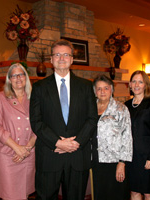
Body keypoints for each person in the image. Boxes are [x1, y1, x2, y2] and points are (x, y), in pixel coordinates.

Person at [29, 39, 98, 200]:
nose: (61, 58)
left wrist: (76, 143)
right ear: (51, 60)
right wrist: (57, 143)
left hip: (77, 155)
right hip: (49, 154)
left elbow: (92, 119)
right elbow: (36, 121)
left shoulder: (86, 86)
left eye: (66, 55)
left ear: (72, 59)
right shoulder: (39, 88)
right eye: (57, 55)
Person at [0, 63, 36, 200]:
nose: (18, 78)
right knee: (10, 195)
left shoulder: (34, 98)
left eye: (21, 74)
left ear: (26, 77)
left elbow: (39, 126)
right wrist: (17, 148)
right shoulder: (0, 97)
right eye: (14, 75)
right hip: (7, 154)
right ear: (9, 79)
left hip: (28, 153)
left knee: (24, 195)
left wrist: (26, 149)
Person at [91, 74, 132, 200]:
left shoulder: (121, 109)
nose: (102, 91)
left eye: (106, 88)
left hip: (114, 160)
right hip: (95, 159)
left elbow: (127, 137)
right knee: (99, 193)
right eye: (99, 88)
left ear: (112, 90)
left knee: (116, 194)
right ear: (94, 91)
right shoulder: (90, 107)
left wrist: (122, 162)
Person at [125, 70, 150, 200]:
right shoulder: (126, 105)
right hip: (131, 156)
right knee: (134, 191)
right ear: (129, 84)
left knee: (148, 193)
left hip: (147, 156)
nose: (136, 84)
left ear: (146, 85)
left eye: (140, 82)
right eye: (134, 81)